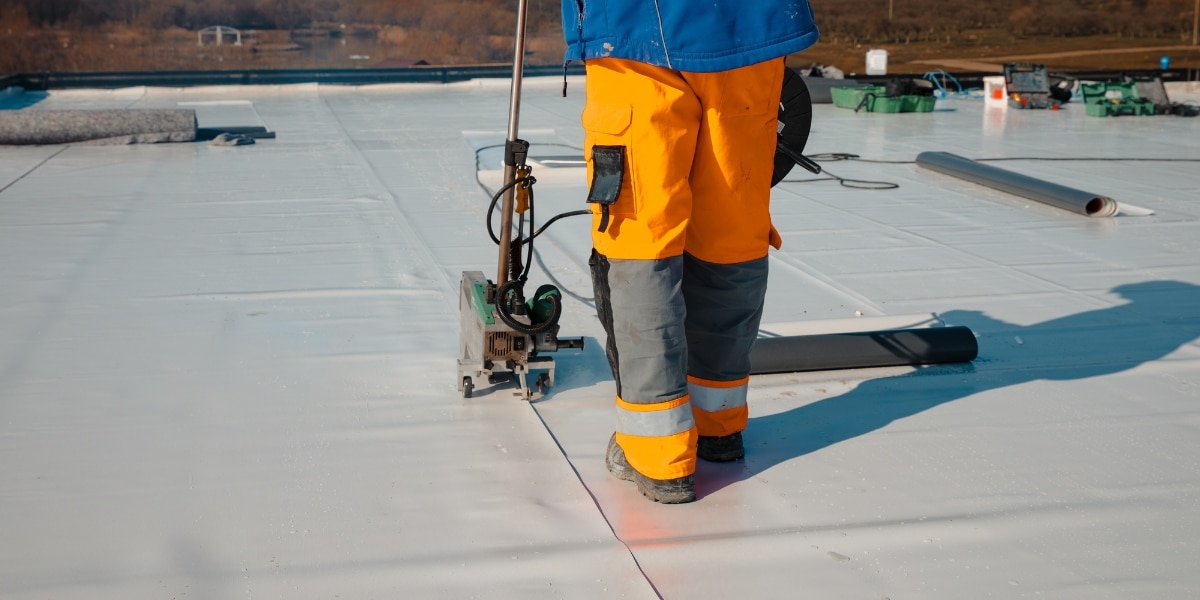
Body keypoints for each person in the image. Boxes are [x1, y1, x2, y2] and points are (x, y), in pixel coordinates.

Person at [561, 1, 820, 503]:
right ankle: (717, 426)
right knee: (731, 236)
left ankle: (658, 455)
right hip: (753, 31)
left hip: (636, 35)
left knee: (642, 244)